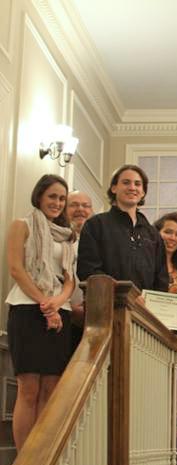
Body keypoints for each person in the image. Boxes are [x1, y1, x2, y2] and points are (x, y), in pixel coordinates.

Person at [6, 174, 76, 450]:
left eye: (62, 198)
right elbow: (16, 269)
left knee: (51, 389)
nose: (57, 203)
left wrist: (56, 302)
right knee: (29, 389)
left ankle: (43, 452)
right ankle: (26, 456)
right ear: (39, 196)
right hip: (27, 309)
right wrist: (44, 303)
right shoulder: (21, 225)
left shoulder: (67, 235)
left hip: (61, 312)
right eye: (52, 197)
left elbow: (69, 279)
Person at [77, 164, 168, 293]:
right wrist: (126, 294)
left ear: (143, 192)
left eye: (137, 184)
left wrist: (150, 302)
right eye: (126, 183)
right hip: (105, 305)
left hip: (144, 309)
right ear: (114, 188)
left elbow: (161, 278)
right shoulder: (95, 225)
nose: (132, 187)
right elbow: (88, 270)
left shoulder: (153, 234)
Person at [65, 190, 94, 351]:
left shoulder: (100, 242)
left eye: (85, 206)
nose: (80, 209)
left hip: (90, 319)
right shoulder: (58, 239)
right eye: (74, 205)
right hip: (59, 314)